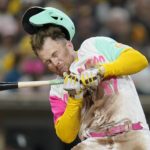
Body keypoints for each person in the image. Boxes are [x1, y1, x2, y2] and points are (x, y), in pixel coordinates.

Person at [22, 6, 150, 150]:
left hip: (132, 135)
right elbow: (66, 135)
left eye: (55, 54)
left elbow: (139, 60)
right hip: (93, 144)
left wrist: (101, 71)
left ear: (69, 45)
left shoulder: (94, 45)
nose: (55, 63)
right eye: (48, 62)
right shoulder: (57, 89)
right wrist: (74, 99)